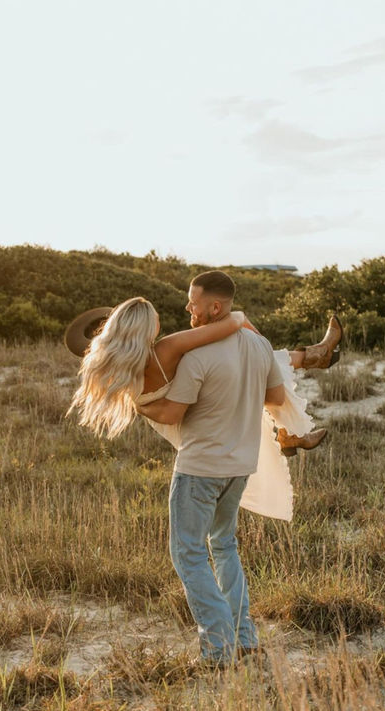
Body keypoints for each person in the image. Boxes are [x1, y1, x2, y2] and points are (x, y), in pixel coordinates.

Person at [66, 271, 342, 666]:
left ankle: (218, 648)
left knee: (189, 556)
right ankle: (244, 637)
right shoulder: (237, 345)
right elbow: (274, 393)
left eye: (191, 303)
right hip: (240, 464)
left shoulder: (161, 360)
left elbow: (176, 412)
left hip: (200, 467)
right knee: (224, 547)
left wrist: (148, 406)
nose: (185, 309)